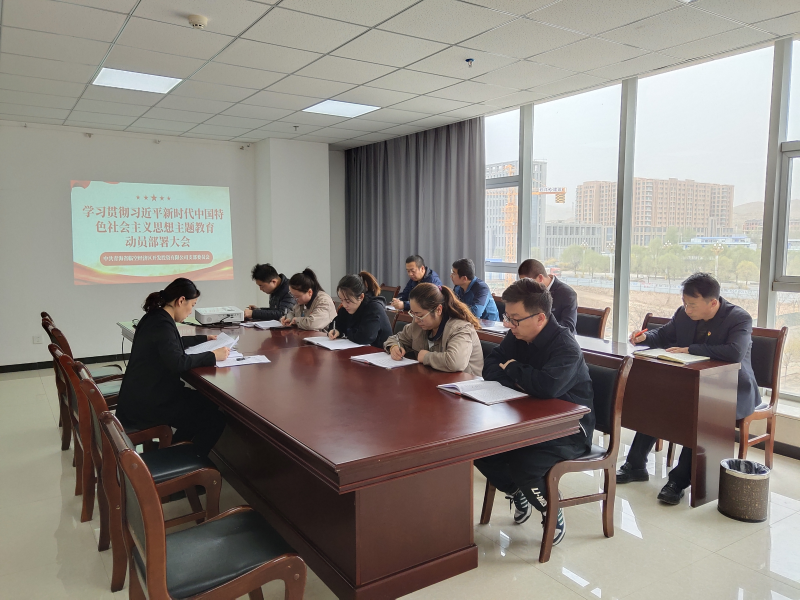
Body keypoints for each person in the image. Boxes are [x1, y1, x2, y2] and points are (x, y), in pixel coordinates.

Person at [617, 272, 759, 505]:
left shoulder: (738, 318)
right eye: (684, 303)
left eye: (692, 304)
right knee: (656, 403)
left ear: (713, 303)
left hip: (731, 390)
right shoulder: (684, 314)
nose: (687, 309)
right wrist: (644, 338)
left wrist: (690, 349)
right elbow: (663, 335)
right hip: (693, 384)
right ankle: (635, 465)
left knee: (699, 414)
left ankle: (678, 481)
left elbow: (735, 352)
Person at [474, 278, 594, 546]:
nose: (509, 325)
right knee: (479, 449)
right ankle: (518, 491)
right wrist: (520, 378)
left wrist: (513, 369)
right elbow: (490, 366)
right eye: (507, 317)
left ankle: (551, 508)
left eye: (515, 319)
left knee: (524, 464)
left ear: (540, 318)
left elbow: (546, 386)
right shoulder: (517, 335)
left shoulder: (565, 347)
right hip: (525, 418)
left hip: (569, 429)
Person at [115, 278, 228, 457]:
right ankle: (184, 461)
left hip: (142, 396)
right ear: (181, 300)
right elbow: (177, 362)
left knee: (209, 402)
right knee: (216, 419)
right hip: (149, 404)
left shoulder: (155, 316)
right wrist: (212, 356)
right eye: (192, 305)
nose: (190, 312)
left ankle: (174, 449)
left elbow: (171, 343)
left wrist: (202, 339)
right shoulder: (162, 323)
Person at [384, 283, 483, 375]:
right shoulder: (418, 324)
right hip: (432, 379)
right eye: (413, 314)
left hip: (462, 384)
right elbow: (396, 339)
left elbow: (456, 362)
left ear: (438, 310)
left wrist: (426, 357)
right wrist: (394, 347)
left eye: (420, 315)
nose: (416, 320)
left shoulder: (460, 328)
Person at [328, 271, 393, 348]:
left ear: (361, 297)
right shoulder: (347, 308)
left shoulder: (374, 308)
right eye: (341, 300)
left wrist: (346, 332)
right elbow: (335, 324)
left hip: (380, 352)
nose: (344, 305)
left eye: (348, 301)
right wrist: (336, 331)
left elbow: (364, 338)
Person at [518, 259, 577, 333]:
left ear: (540, 278)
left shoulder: (567, 294)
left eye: (528, 283)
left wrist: (537, 327)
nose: (526, 287)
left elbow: (568, 327)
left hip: (558, 338)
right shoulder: (530, 291)